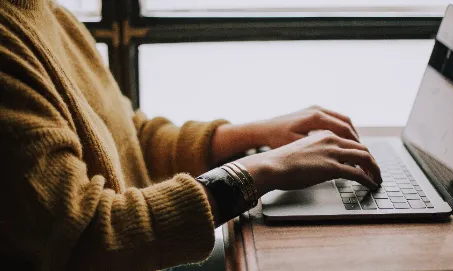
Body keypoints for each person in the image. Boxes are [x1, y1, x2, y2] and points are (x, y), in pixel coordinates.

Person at [0, 1, 382, 270]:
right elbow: (88, 240)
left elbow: (130, 139)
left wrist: (250, 135)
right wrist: (259, 171)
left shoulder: (48, 13)